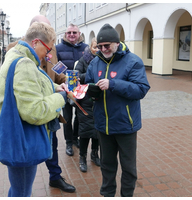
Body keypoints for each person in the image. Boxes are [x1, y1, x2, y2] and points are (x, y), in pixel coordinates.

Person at [0, 22, 68, 197]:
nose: (47, 54)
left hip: (14, 135)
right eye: (47, 49)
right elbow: (35, 111)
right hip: (22, 140)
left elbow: (35, 83)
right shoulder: (25, 63)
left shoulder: (16, 54)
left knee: (18, 188)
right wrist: (60, 98)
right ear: (35, 43)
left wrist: (56, 87)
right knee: (22, 191)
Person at [85, 23, 150, 197]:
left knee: (128, 167)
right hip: (103, 124)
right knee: (107, 165)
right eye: (100, 46)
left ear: (117, 42)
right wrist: (85, 90)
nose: (103, 49)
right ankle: (107, 194)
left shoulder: (133, 61)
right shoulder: (95, 63)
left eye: (107, 45)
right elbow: (90, 87)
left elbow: (141, 89)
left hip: (125, 124)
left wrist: (113, 84)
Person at [30, 15, 75, 193]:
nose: (46, 33)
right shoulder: (18, 51)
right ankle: (25, 185)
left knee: (52, 144)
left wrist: (72, 81)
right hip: (33, 108)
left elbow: (58, 70)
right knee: (31, 146)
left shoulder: (52, 49)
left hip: (50, 108)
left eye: (48, 28)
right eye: (41, 28)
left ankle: (55, 177)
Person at [56, 23, 88, 156]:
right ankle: (69, 142)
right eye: (69, 32)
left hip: (80, 88)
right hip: (65, 87)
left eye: (74, 32)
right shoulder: (58, 48)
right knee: (67, 117)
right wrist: (65, 79)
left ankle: (76, 138)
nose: (72, 35)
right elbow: (56, 66)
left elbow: (88, 66)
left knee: (80, 117)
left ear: (79, 34)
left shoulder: (86, 48)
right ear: (65, 34)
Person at [74, 37, 100, 172]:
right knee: (85, 131)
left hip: (99, 100)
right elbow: (77, 75)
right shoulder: (83, 60)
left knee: (97, 131)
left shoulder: (103, 60)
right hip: (85, 100)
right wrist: (90, 76)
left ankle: (95, 154)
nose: (97, 50)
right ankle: (82, 157)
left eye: (99, 47)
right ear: (90, 47)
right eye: (95, 47)